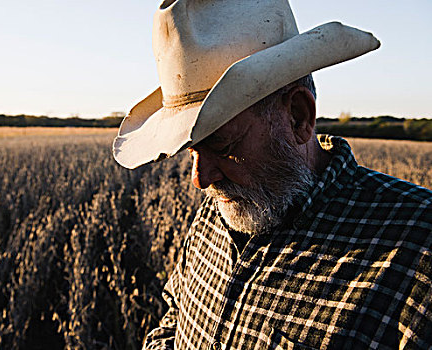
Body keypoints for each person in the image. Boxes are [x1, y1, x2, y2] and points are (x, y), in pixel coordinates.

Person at [113, 1, 432, 348]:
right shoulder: (221, 209)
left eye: (221, 143)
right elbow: (176, 320)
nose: (200, 178)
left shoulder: (418, 252)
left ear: (298, 116)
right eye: (191, 149)